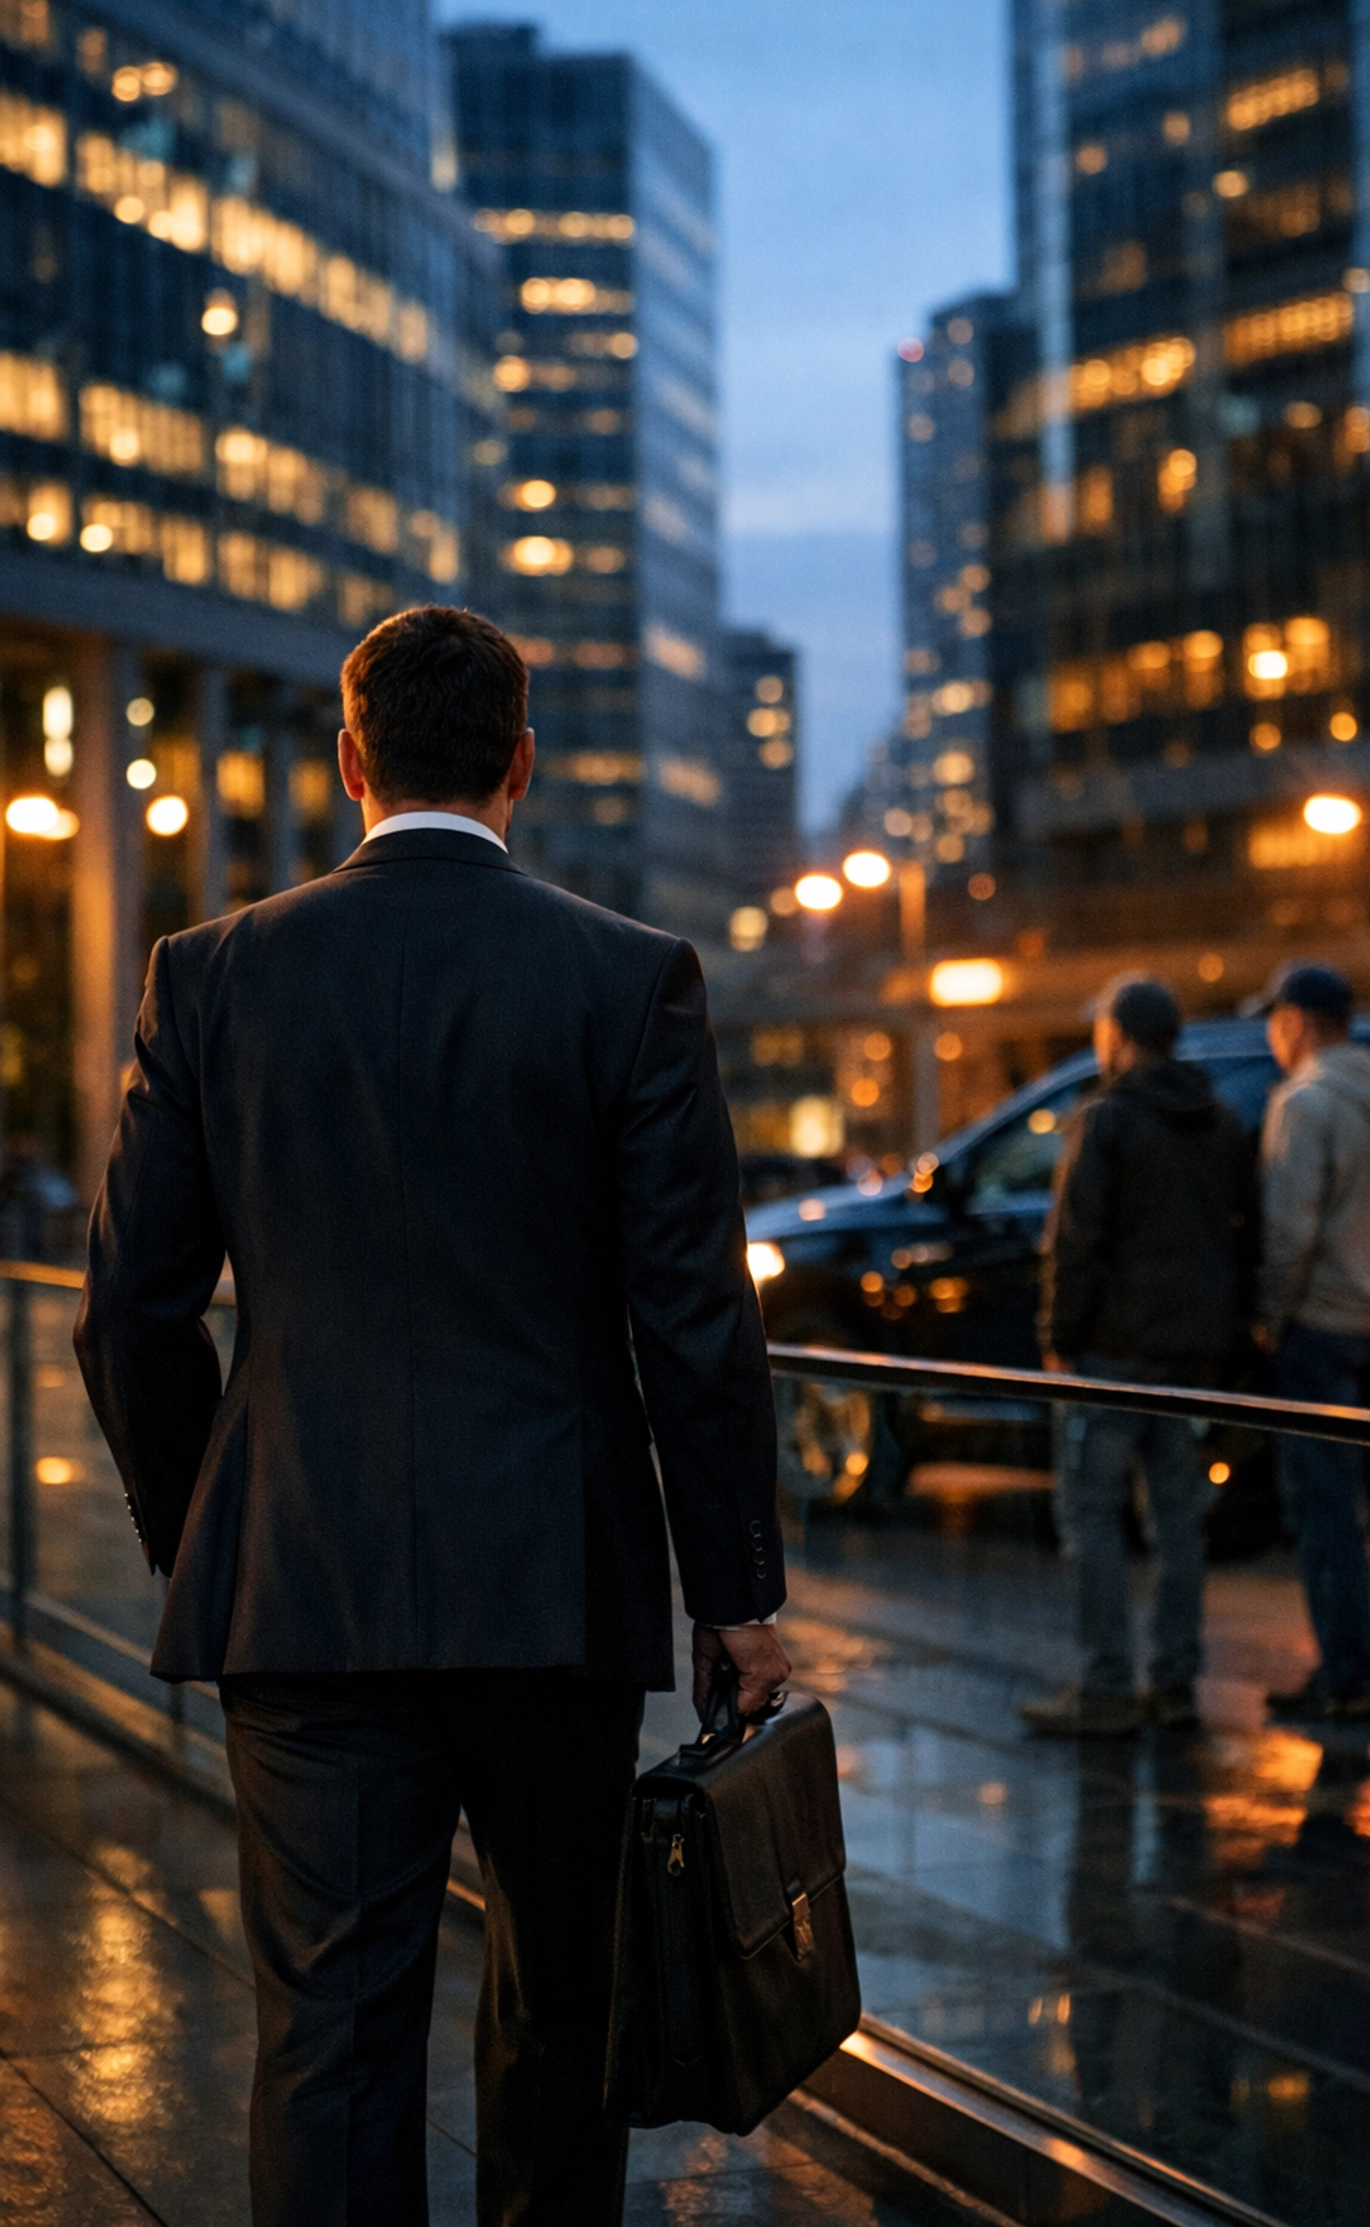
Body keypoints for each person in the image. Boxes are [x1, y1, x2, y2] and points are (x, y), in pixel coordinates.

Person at [74, 606, 790, 2227]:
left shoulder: (210, 974)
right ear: (521, 763)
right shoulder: (631, 977)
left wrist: (208, 1529)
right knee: (562, 2009)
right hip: (554, 1582)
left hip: (302, 1585)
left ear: (351, 761)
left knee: (329, 2032)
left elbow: (128, 1311)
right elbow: (695, 1319)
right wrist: (735, 1587)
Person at [1021, 977, 1256, 1739]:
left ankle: (1107, 1686)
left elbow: (1075, 1241)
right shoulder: (1220, 1121)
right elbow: (1242, 1236)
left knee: (1091, 1515)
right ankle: (1176, 1683)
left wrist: (1060, 1337)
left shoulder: (1107, 1119)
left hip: (1112, 1355)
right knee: (1179, 1522)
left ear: (1118, 1037)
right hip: (1192, 1359)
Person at [1250, 961, 1370, 1721]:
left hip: (1323, 1325)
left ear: (1298, 1022)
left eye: (1275, 1022)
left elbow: (1290, 1229)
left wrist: (1272, 1316)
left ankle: (1349, 1676)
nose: (1273, 1039)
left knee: (1327, 1506)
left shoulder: (1305, 1102)